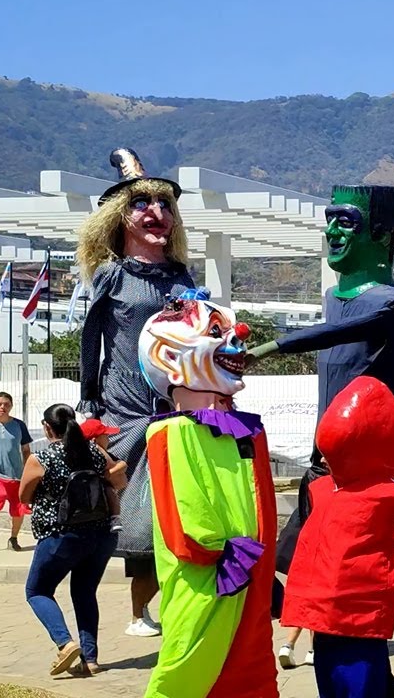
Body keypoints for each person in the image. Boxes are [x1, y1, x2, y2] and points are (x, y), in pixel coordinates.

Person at [252, 185, 394, 562]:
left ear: (380, 234)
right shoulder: (337, 299)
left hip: (375, 483)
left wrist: (270, 347)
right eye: (330, 221)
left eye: (346, 222)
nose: (332, 233)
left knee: (354, 583)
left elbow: (352, 328)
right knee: (304, 572)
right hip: (325, 471)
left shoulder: (389, 301)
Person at [76, 147, 194, 639]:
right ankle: (129, 612)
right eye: (143, 204)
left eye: (164, 205)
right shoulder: (112, 275)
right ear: (120, 218)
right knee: (135, 517)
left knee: (182, 513)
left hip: (178, 408)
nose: (156, 213)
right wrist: (87, 402)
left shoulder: (182, 277)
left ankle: (178, 602)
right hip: (125, 411)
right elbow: (89, 341)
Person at [138, 288, 277, 698]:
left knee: (251, 674)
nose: (240, 337)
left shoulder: (250, 431)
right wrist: (223, 550)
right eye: (218, 330)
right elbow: (184, 520)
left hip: (251, 577)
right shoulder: (169, 431)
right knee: (192, 676)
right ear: (167, 356)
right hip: (213, 583)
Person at [282, 376, 394, 698]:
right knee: (339, 678)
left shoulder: (393, 496)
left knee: (357, 678)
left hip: (359, 611)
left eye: (332, 452)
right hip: (328, 608)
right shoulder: (323, 489)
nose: (323, 461)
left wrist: (385, 590)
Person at [20, 403, 126, 678]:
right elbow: (117, 478)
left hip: (60, 536)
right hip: (100, 535)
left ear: (46, 427)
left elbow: (23, 497)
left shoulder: (41, 458)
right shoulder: (93, 451)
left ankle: (65, 643)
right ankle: (90, 660)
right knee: (84, 592)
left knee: (37, 591)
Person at [0, 392, 33, 550]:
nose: (3, 407)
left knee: (18, 509)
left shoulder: (18, 425)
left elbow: (26, 449)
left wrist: (27, 472)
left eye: (6, 404)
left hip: (16, 474)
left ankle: (13, 538)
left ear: (11, 406)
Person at [80, 418, 124, 533]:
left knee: (109, 490)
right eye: (106, 436)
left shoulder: (106, 453)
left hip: (99, 493)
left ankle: (114, 518)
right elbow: (112, 464)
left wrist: (108, 474)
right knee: (109, 491)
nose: (109, 440)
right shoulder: (95, 451)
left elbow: (122, 464)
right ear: (94, 440)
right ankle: (115, 517)